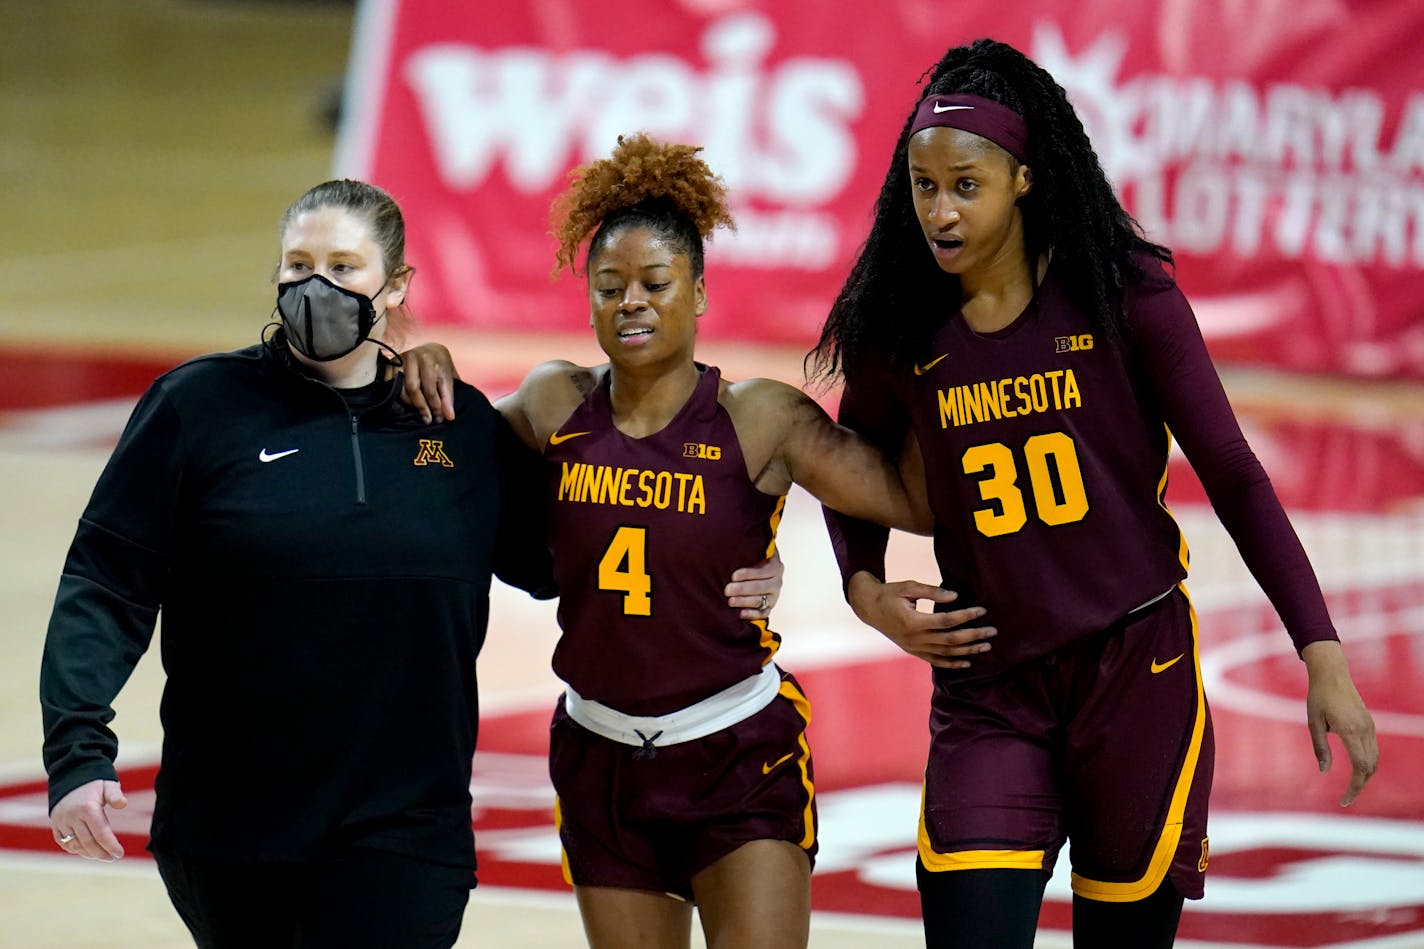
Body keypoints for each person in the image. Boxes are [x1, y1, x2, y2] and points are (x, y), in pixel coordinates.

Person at [36, 177, 781, 949]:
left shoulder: (457, 431)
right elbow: (106, 582)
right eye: (296, 265)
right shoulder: (199, 408)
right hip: (231, 828)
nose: (315, 285)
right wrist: (78, 749)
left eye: (343, 266)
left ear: (395, 285)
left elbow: (584, 550)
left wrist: (742, 554)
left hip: (405, 830)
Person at [807, 38, 1380, 948]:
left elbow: (1232, 471)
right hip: (987, 681)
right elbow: (851, 462)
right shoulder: (902, 322)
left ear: (1026, 180)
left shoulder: (1125, 295)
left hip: (1133, 671)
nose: (938, 211)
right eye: (923, 186)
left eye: (965, 185)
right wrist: (867, 591)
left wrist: (1322, 650)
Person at [403, 132, 991, 949]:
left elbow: (909, 501)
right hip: (599, 754)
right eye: (610, 287)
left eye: (655, 282)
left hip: (735, 754)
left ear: (700, 292)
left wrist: (933, 364)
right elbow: (438, 471)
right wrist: (423, 378)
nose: (631, 302)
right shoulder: (551, 403)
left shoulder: (760, 417)